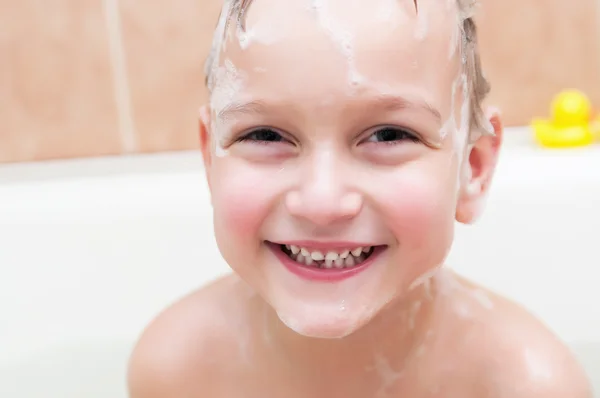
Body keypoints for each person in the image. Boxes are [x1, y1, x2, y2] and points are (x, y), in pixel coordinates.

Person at [128, 0, 592, 396]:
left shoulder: (522, 384)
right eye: (265, 133)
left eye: (390, 134)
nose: (322, 201)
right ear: (211, 158)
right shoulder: (178, 370)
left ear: (473, 168)